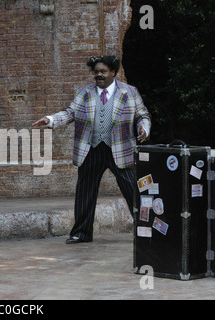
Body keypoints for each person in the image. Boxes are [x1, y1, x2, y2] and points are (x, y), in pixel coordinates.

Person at [32, 55, 151, 243]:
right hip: (91, 149)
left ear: (113, 72)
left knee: (133, 190)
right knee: (85, 191)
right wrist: (51, 120)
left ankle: (145, 230)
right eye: (96, 72)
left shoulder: (129, 92)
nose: (99, 75)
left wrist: (144, 128)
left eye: (103, 71)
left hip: (120, 149)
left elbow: (142, 115)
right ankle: (81, 232)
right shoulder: (84, 92)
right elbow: (70, 113)